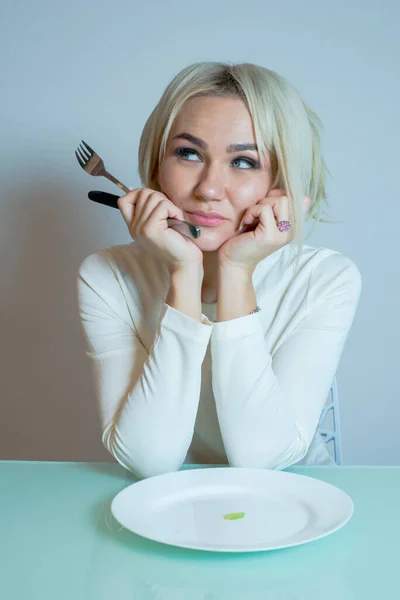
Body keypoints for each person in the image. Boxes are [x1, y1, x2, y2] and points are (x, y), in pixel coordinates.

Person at [76, 62, 362, 479]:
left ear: (280, 181)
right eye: (188, 154)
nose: (208, 189)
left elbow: (262, 459)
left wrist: (236, 270)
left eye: (244, 162)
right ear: (157, 166)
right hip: (173, 498)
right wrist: (184, 273)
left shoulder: (326, 280)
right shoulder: (106, 276)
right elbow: (148, 460)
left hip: (297, 494)